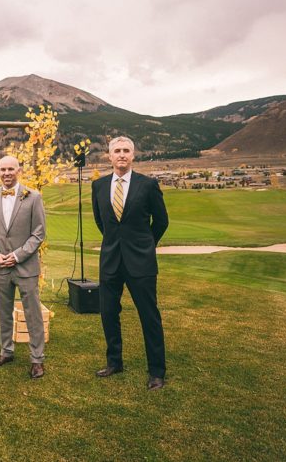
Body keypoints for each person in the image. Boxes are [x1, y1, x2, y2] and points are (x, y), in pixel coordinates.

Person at [91, 136, 169, 390]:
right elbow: (101, 222)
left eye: (126, 151)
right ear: (109, 156)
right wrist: (116, 243)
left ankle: (157, 371)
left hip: (141, 262)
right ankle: (115, 362)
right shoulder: (99, 186)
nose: (121, 154)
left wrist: (146, 244)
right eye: (117, 151)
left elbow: (161, 222)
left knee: (149, 316)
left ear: (133, 156)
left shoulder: (147, 185)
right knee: (109, 313)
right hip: (110, 260)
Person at [0, 155, 47, 379]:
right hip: (0, 266)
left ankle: (37, 359)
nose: (7, 173)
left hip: (26, 267)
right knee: (3, 312)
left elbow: (38, 233)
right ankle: (6, 351)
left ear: (18, 170)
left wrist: (17, 256)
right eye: (3, 169)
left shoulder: (34, 197)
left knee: (33, 314)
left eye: (11, 169)